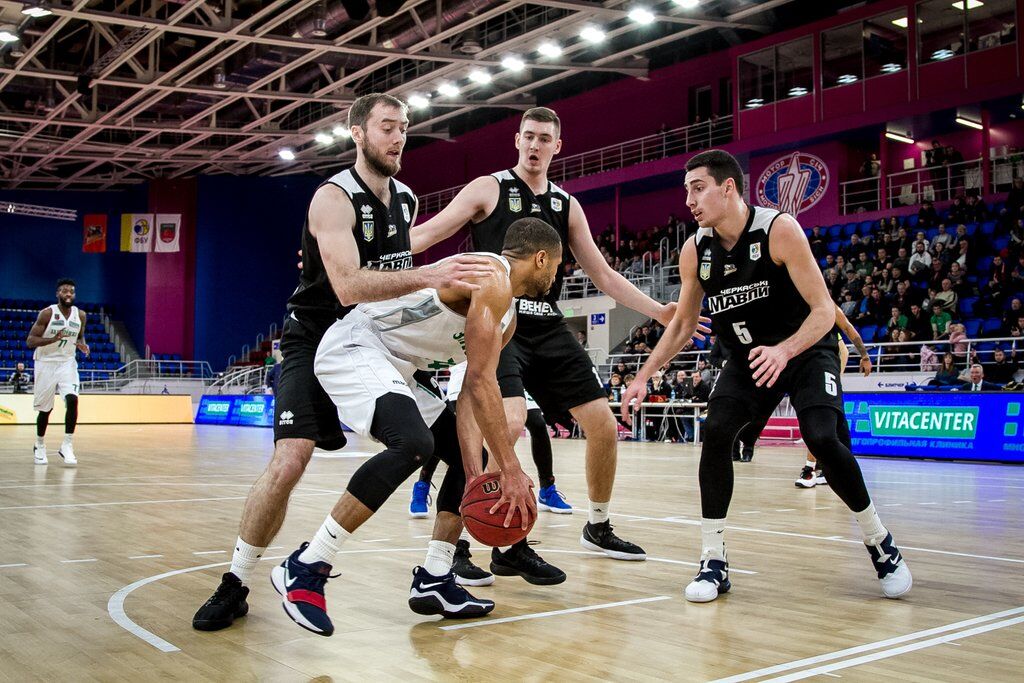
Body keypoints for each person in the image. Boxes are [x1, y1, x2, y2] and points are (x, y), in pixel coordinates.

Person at [191, 93, 494, 632]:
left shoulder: (405, 198)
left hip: (380, 340)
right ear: (357, 133)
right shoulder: (332, 199)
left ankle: (436, 573)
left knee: (465, 450)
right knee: (290, 460)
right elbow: (350, 285)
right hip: (317, 336)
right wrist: (431, 274)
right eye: (386, 127)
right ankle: (236, 582)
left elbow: (398, 259)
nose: (398, 137)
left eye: (403, 127)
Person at [410, 106, 705, 582]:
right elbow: (429, 231)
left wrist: (658, 310)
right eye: (528, 136)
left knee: (604, 425)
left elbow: (603, 273)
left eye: (544, 139)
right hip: (498, 322)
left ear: (557, 146)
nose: (534, 145)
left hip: (547, 327)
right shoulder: (489, 188)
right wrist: (379, 258)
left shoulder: (567, 205)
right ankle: (475, 541)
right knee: (503, 426)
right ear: (516, 140)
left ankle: (598, 525)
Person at [622, 149, 911, 603]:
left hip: (805, 349)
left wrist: (786, 349)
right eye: (686, 191)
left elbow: (822, 312)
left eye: (698, 188)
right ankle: (712, 560)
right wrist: (645, 374)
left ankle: (880, 542)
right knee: (716, 432)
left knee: (821, 437)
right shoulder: (695, 249)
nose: (690, 200)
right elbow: (681, 323)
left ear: (728, 187)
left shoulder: (779, 230)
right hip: (747, 359)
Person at [273, 218, 562, 634]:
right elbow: (483, 383)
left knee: (470, 456)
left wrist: (478, 472)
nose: (556, 274)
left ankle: (435, 577)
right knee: (413, 443)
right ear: (539, 258)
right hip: (358, 344)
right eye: (555, 265)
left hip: (401, 370)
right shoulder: (490, 278)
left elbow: (469, 392)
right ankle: (307, 564)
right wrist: (511, 468)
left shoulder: (507, 316)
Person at [26, 278, 89, 466]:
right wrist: (53, 339)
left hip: (67, 362)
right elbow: (30, 341)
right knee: (46, 409)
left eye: (71, 291)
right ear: (57, 294)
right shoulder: (47, 314)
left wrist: (81, 345)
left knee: (73, 399)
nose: (68, 293)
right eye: (64, 291)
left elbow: (79, 335)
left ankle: (67, 445)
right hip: (45, 362)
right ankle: (39, 445)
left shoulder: (81, 315)